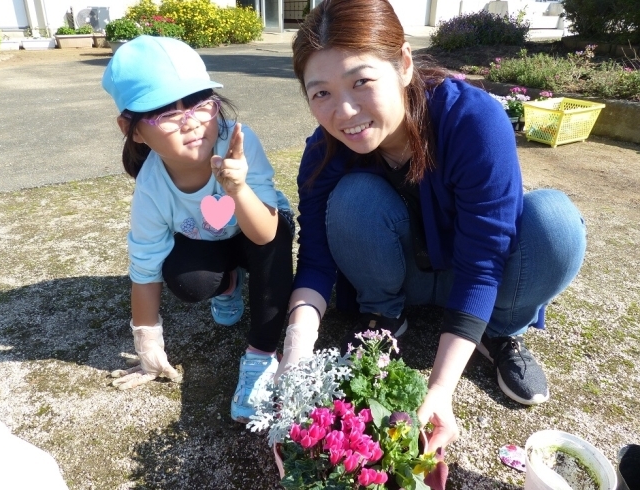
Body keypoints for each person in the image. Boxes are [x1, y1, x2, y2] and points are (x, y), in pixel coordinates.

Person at [276, 0, 586, 451]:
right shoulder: (323, 151)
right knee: (350, 198)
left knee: (556, 221)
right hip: (406, 276)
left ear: (402, 64)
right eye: (320, 93)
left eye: (361, 81)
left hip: (484, 280)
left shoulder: (472, 120)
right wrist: (295, 354)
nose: (343, 111)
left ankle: (498, 331)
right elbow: (317, 258)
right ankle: (385, 316)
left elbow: (484, 260)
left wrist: (439, 391)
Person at [101, 35, 294, 423]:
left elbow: (264, 234)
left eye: (199, 102)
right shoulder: (152, 185)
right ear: (132, 128)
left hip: (259, 227)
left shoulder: (238, 139)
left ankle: (260, 355)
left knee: (272, 252)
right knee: (186, 280)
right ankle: (229, 286)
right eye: (166, 113)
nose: (191, 122)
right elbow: (145, 264)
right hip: (208, 238)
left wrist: (236, 187)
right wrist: (147, 343)